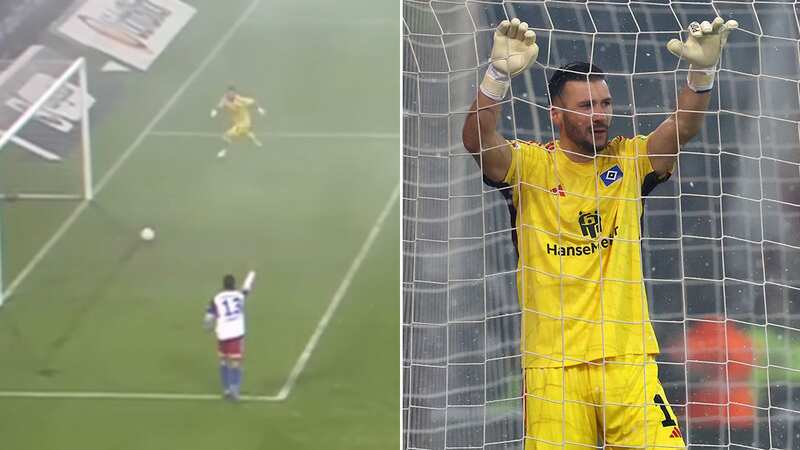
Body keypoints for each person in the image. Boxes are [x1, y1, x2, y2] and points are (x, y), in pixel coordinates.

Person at [462, 16, 737, 449]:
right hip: (554, 370)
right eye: (586, 106)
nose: (600, 115)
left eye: (605, 103)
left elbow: (683, 128)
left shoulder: (629, 161)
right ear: (556, 114)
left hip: (627, 364)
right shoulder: (529, 166)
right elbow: (477, 140)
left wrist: (701, 74)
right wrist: (497, 76)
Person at [204, 273, 250, 400]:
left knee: (224, 361)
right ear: (234, 284)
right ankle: (235, 388)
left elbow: (208, 318)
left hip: (223, 333)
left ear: (223, 285)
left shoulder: (216, 298)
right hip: (236, 332)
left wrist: (208, 326)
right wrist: (252, 273)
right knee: (235, 362)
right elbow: (246, 289)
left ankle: (226, 389)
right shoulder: (239, 295)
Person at [210, 85, 265, 158]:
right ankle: (255, 141)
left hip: (244, 122)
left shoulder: (239, 99)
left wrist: (259, 109)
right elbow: (220, 105)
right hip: (237, 121)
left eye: (232, 93)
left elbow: (253, 102)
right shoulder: (224, 99)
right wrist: (215, 111)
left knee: (226, 135)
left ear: (235, 93)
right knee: (246, 132)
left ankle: (223, 152)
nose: (230, 94)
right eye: (229, 93)